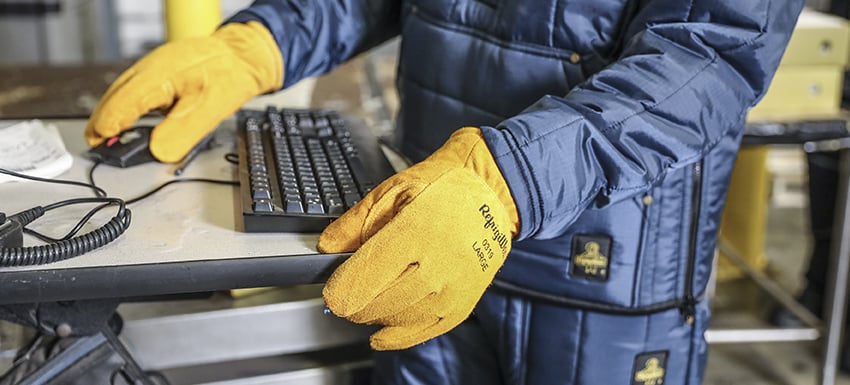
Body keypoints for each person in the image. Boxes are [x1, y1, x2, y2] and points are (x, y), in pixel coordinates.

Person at [85, 1, 804, 384]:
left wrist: (508, 178)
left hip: (596, 273)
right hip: (425, 237)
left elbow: (709, 53)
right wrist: (261, 43)